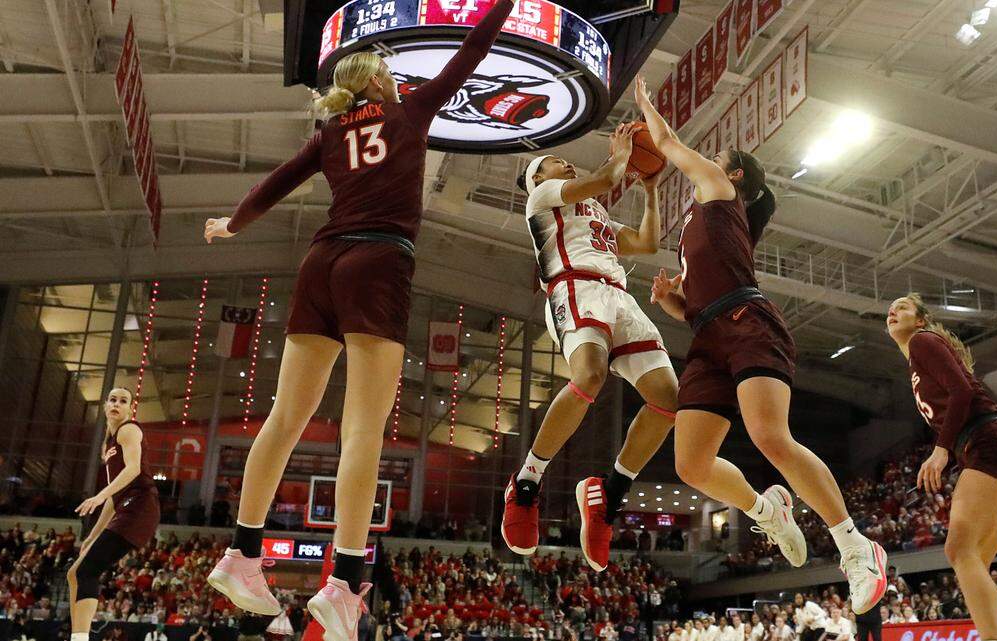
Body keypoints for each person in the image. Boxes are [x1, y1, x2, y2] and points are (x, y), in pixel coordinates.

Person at [202, 2, 517, 640]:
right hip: (377, 261)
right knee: (364, 433)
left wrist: (230, 224)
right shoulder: (410, 109)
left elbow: (273, 184)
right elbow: (475, 48)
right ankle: (342, 583)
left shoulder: (329, 134)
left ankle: (242, 552)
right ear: (378, 79)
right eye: (392, 73)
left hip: (321, 261)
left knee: (284, 419)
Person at [633, 75, 887, 614]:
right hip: (709, 335)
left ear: (733, 173)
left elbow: (670, 145)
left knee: (771, 437)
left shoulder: (720, 193)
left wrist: (645, 105)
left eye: (715, 157)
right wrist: (675, 305)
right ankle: (765, 508)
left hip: (749, 321)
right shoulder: (700, 226)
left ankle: (856, 547)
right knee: (691, 465)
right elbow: (700, 304)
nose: (703, 160)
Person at [503, 136, 679, 571]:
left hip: (618, 294)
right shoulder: (542, 199)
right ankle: (525, 484)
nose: (566, 165)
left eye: (566, 162)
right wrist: (621, 155)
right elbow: (602, 179)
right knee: (590, 377)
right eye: (556, 162)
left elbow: (646, 241)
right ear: (537, 179)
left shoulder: (595, 212)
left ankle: (608, 496)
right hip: (574, 286)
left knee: (669, 400)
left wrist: (651, 189)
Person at [886, 294, 997, 641]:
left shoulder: (922, 341)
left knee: (959, 550)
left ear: (920, 320)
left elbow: (962, 392)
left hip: (989, 442)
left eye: (902, 307)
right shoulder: (918, 361)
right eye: (889, 309)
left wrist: (940, 451)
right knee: (973, 562)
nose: (892, 311)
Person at [67, 388, 161, 641]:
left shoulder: (129, 430)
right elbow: (114, 498)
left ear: (130, 408)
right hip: (125, 505)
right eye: (112, 399)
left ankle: (80, 638)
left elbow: (132, 470)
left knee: (87, 571)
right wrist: (91, 536)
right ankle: (77, 633)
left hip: (140, 505)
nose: (116, 404)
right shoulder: (107, 443)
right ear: (105, 405)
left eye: (123, 401)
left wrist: (97, 496)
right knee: (74, 572)